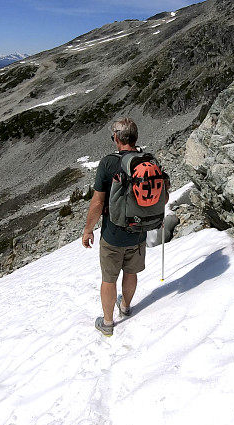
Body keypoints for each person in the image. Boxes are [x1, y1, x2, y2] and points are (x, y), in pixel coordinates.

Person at [82, 117, 146, 337]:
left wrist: (88, 229)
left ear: (117, 138)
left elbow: (98, 202)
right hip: (139, 231)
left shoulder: (108, 163)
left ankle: (108, 323)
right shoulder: (148, 160)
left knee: (109, 279)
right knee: (131, 272)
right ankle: (126, 307)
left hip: (112, 234)